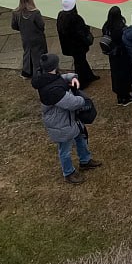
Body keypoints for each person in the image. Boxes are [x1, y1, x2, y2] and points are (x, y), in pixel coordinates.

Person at [31, 53, 101, 184]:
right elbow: (72, 103)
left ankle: (85, 160)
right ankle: (68, 172)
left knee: (80, 137)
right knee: (65, 149)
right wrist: (83, 99)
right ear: (55, 65)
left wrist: (72, 77)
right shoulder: (53, 90)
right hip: (61, 123)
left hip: (68, 119)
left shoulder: (45, 77)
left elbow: (59, 78)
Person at [56, 0, 98, 85]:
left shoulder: (61, 16)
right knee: (79, 63)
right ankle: (81, 82)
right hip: (78, 46)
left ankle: (89, 76)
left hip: (68, 45)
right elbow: (81, 32)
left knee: (81, 60)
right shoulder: (75, 18)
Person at [12, 0, 48, 78]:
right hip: (37, 37)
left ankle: (27, 72)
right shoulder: (35, 13)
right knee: (39, 54)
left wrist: (23, 30)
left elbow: (14, 26)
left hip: (25, 37)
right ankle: (39, 72)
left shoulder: (16, 13)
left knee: (27, 53)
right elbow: (41, 25)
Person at [102, 6, 132, 105]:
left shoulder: (106, 26)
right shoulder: (121, 28)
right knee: (125, 75)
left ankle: (120, 96)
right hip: (122, 55)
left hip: (113, 55)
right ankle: (125, 97)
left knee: (116, 75)